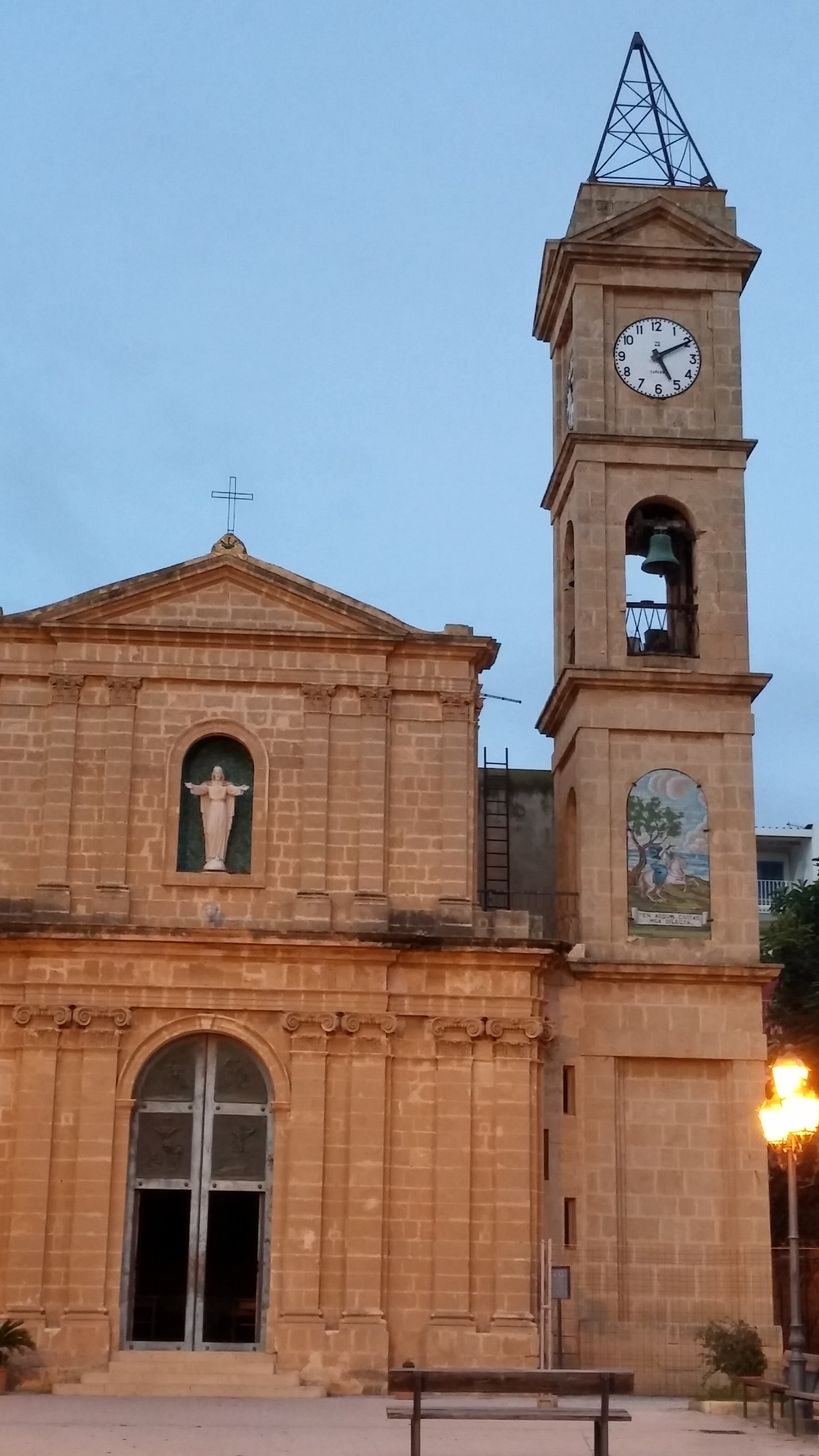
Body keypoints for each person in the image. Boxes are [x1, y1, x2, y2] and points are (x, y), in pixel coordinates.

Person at [184, 765, 249, 870]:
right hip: (212, 808)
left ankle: (219, 856)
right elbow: (200, 789)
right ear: (213, 774)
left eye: (219, 772)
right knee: (210, 831)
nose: (217, 774)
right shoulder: (208, 785)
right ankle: (211, 856)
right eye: (216, 772)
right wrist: (192, 786)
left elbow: (233, 790)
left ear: (221, 774)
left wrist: (240, 788)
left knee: (221, 831)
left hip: (222, 808)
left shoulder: (226, 785)